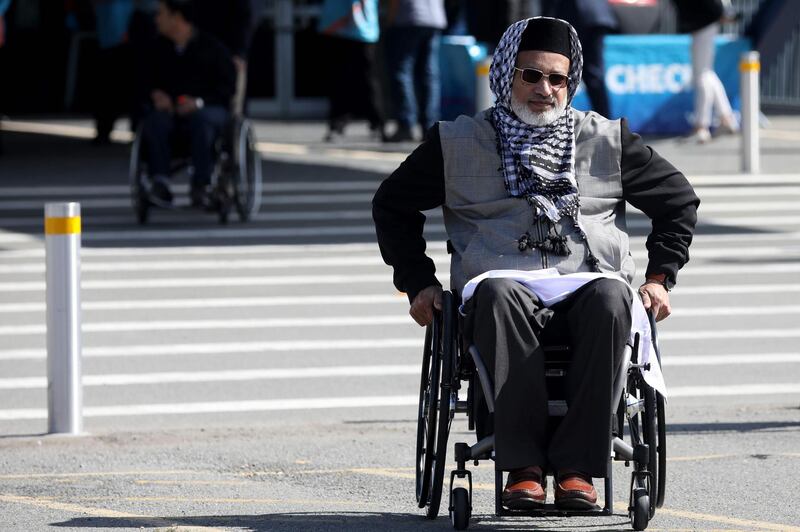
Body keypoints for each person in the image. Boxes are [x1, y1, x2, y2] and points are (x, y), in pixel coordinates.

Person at [373, 17, 699, 509]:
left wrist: (659, 278)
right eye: (531, 75)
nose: (544, 89)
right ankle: (521, 467)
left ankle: (577, 470)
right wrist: (418, 283)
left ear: (571, 83)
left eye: (557, 79)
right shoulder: (457, 142)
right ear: (507, 75)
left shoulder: (605, 139)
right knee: (500, 293)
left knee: (614, 297)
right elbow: (391, 205)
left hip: (589, 281)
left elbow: (679, 201)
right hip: (499, 285)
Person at [139, 0, 235, 206]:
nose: (156, 19)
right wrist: (155, 95)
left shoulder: (211, 47)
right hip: (171, 113)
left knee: (202, 120)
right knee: (155, 120)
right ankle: (160, 181)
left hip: (207, 109)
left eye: (161, 14)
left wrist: (199, 102)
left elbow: (227, 88)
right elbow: (143, 82)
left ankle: (203, 183)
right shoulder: (157, 48)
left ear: (177, 17)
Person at [318, 0, 386, 142]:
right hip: (345, 27)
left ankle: (376, 122)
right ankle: (339, 123)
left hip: (357, 27)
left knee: (364, 79)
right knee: (342, 79)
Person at [673, 0, 739, 143]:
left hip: (704, 22)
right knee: (706, 72)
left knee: (701, 75)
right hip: (704, 21)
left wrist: (720, 13)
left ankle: (701, 127)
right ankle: (726, 118)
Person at [383, 0, 446, 142]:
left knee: (401, 72)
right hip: (434, 17)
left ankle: (407, 124)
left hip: (408, 17)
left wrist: (390, 19)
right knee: (429, 75)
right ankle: (430, 125)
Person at [542, 0, 617, 119]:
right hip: (595, 14)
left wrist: (544, 25)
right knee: (593, 75)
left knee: (561, 72)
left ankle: (556, 123)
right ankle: (606, 124)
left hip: (572, 16)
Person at [192, 0, 253, 114]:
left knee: (232, 97)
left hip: (229, 50)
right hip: (203, 46)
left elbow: (244, 20)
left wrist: (240, 53)